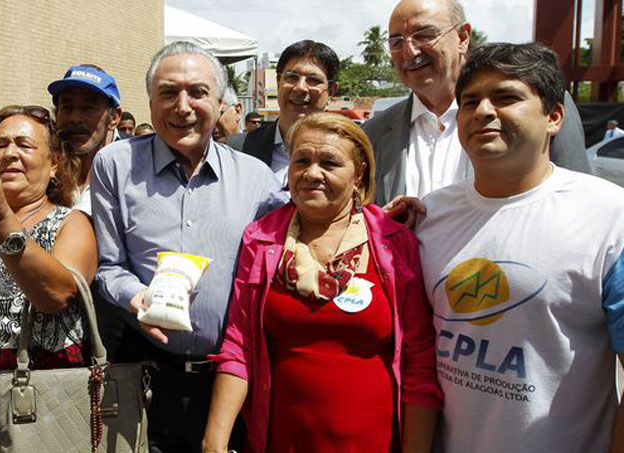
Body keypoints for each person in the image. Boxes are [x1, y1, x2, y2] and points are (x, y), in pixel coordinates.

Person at [416, 42, 624, 452]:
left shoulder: (610, 217)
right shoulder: (428, 214)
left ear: (554, 117)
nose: (483, 111)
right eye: (470, 101)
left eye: (506, 97)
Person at [204, 112, 442, 453]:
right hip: (283, 441)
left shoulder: (393, 242)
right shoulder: (262, 239)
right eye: (302, 161)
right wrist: (214, 443)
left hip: (374, 442)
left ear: (359, 174)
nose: (312, 173)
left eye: (329, 163)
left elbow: (419, 361)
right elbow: (239, 346)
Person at [91, 41, 286, 453]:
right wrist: (136, 298)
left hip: (230, 380)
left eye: (198, 92)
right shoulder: (114, 165)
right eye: (168, 93)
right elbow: (109, 266)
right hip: (146, 377)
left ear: (220, 102)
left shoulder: (257, 178)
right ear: (150, 102)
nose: (183, 107)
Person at [0, 105, 96, 451]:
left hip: (43, 423)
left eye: (24, 145)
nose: (9, 153)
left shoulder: (72, 224)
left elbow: (55, 296)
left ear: (54, 162)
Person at [363, 0, 592, 206]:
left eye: (424, 35)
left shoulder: (540, 106)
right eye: (396, 42)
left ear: (462, 38)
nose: (409, 52)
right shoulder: (372, 134)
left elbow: (579, 202)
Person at [228, 40, 340, 184]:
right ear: (278, 81)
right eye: (292, 77)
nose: (300, 88)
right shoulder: (239, 149)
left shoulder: (348, 150)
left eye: (313, 80)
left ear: (332, 91)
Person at [48, 64, 123, 216]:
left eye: (88, 108)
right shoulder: (43, 167)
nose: (75, 118)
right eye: (67, 107)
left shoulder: (135, 169)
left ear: (114, 117)